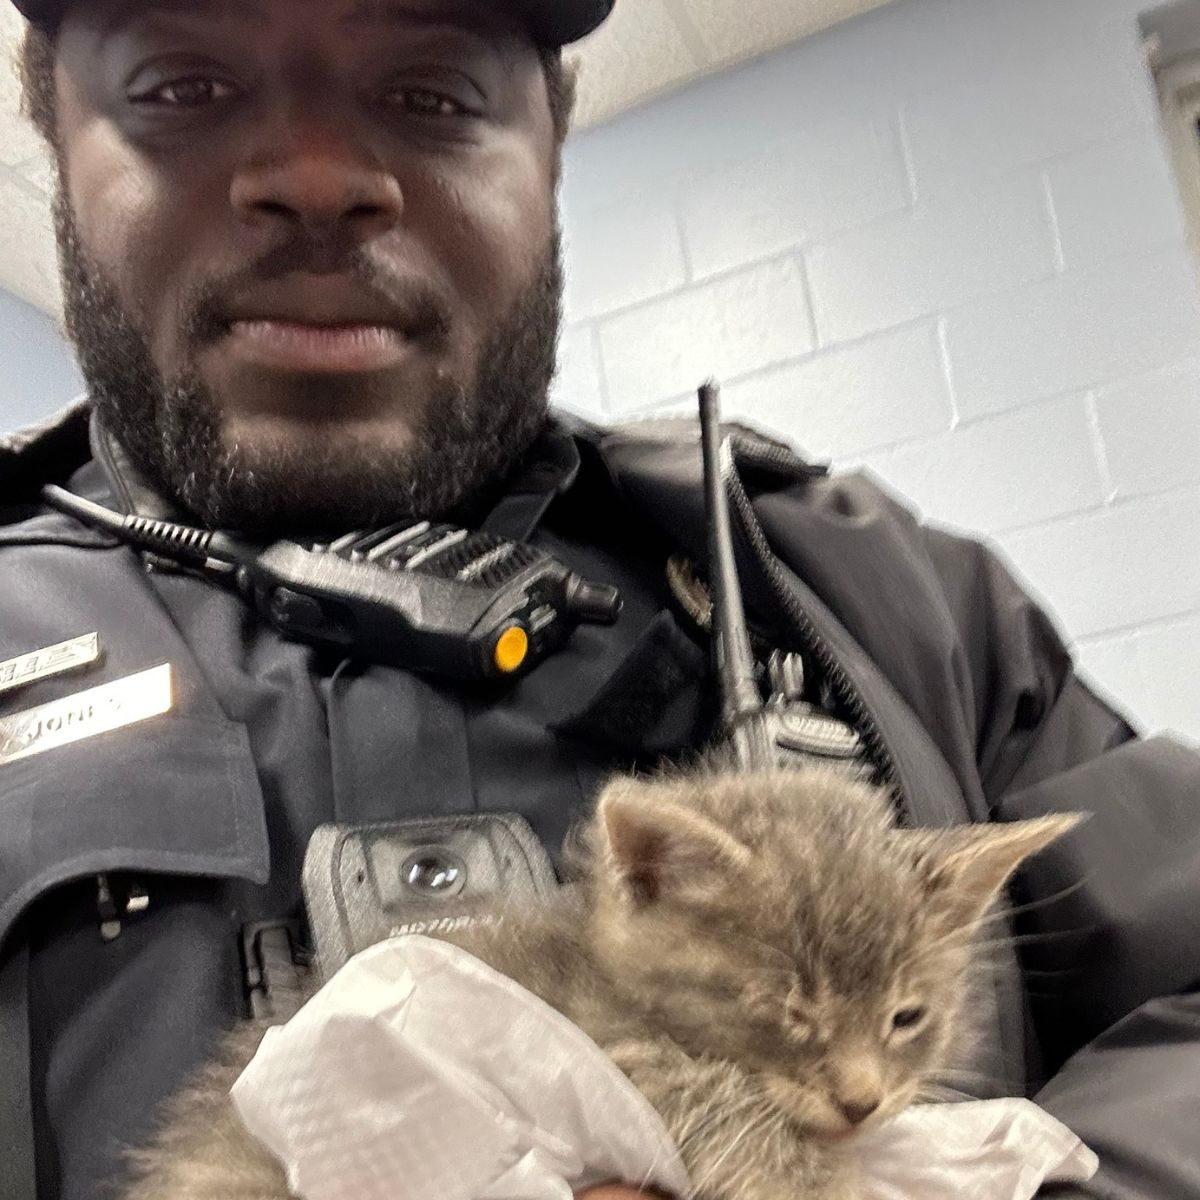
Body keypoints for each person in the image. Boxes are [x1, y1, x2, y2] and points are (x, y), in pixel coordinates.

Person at [0, 1, 1197, 1198]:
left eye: (431, 91)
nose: (319, 176)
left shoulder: (885, 600)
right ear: (45, 108)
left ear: (552, 135)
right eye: (183, 87)